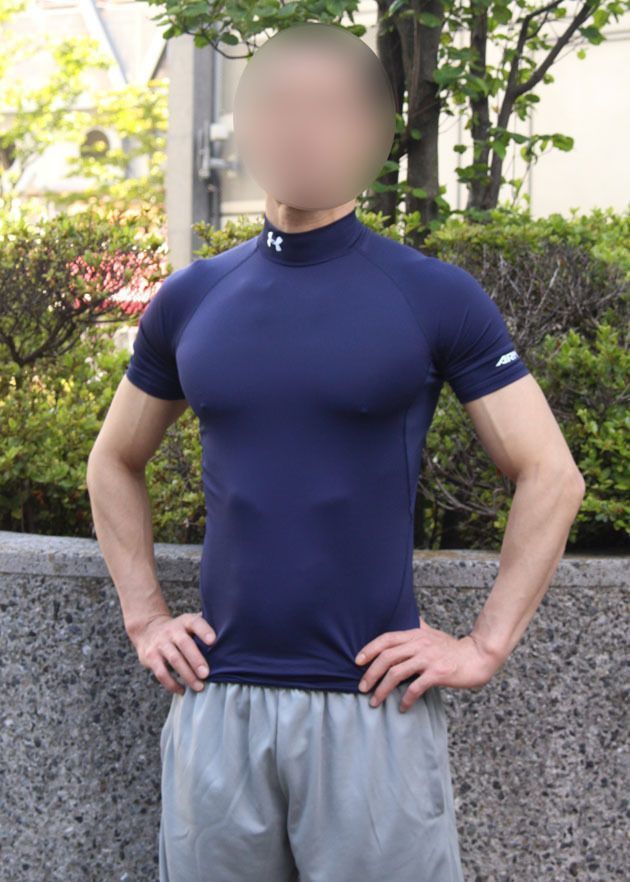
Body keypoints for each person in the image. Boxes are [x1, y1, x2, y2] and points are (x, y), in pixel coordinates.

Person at [86, 24, 585, 882]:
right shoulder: (193, 298)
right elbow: (112, 461)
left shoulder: (433, 296)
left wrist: (483, 646)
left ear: (373, 133)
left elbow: (551, 474)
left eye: (328, 110)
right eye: (280, 106)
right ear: (247, 123)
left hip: (370, 704)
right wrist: (145, 616)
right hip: (217, 702)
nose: (300, 130)